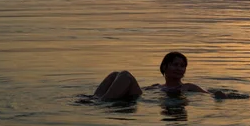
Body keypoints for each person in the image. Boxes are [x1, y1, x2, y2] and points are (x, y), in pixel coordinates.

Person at [93, 52, 226, 101]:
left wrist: (220, 95)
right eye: (175, 65)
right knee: (114, 75)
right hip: (138, 99)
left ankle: (100, 102)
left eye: (182, 66)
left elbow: (209, 94)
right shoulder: (156, 87)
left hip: (137, 101)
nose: (179, 68)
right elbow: (144, 93)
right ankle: (95, 98)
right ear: (164, 68)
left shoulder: (188, 87)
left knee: (125, 75)